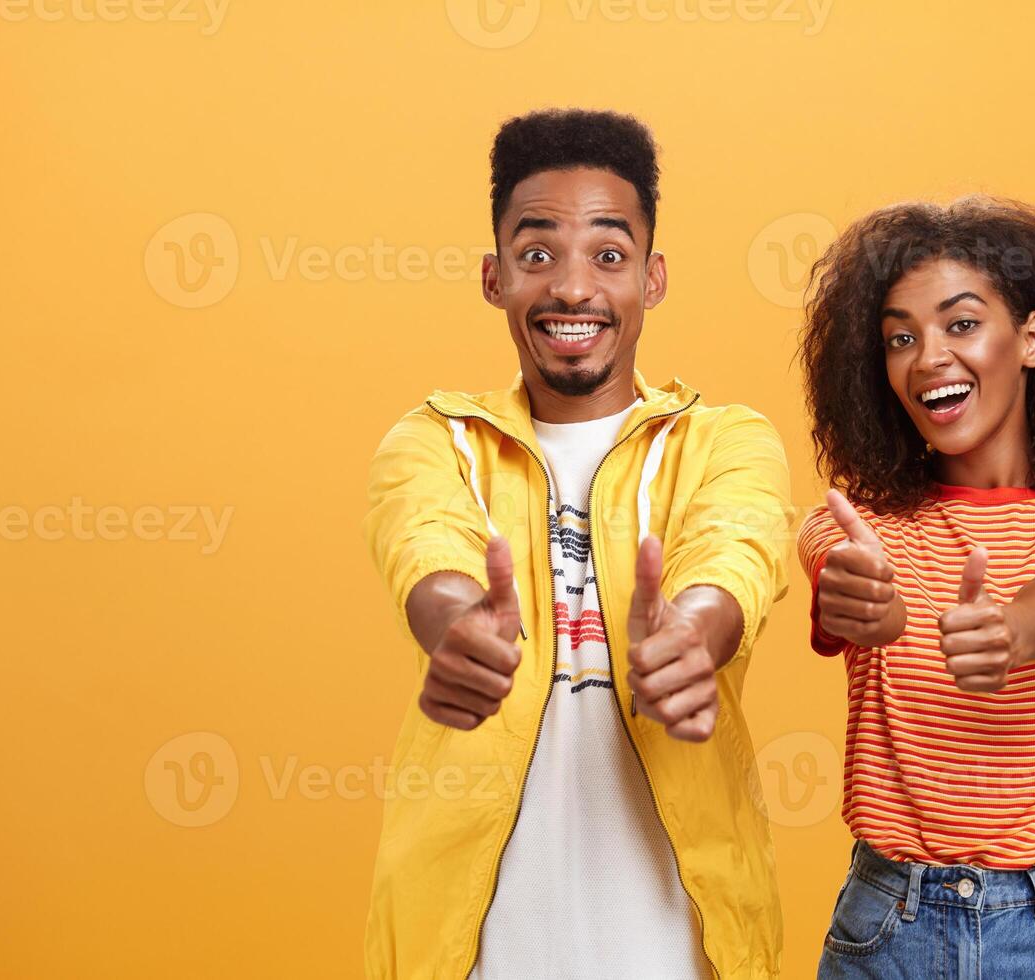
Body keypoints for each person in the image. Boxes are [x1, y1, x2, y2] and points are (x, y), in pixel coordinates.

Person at [363, 108, 792, 980]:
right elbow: (423, 546)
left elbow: (737, 554)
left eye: (608, 254)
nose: (571, 289)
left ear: (653, 277)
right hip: (474, 956)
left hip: (681, 955)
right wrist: (454, 630)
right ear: (494, 278)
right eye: (536, 254)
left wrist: (694, 637)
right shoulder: (436, 441)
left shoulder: (725, 442)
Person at [794, 197, 1035, 977]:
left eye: (961, 324)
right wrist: (865, 598)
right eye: (900, 338)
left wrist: (1013, 631)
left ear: (1032, 339)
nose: (928, 356)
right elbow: (852, 581)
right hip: (889, 929)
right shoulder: (856, 528)